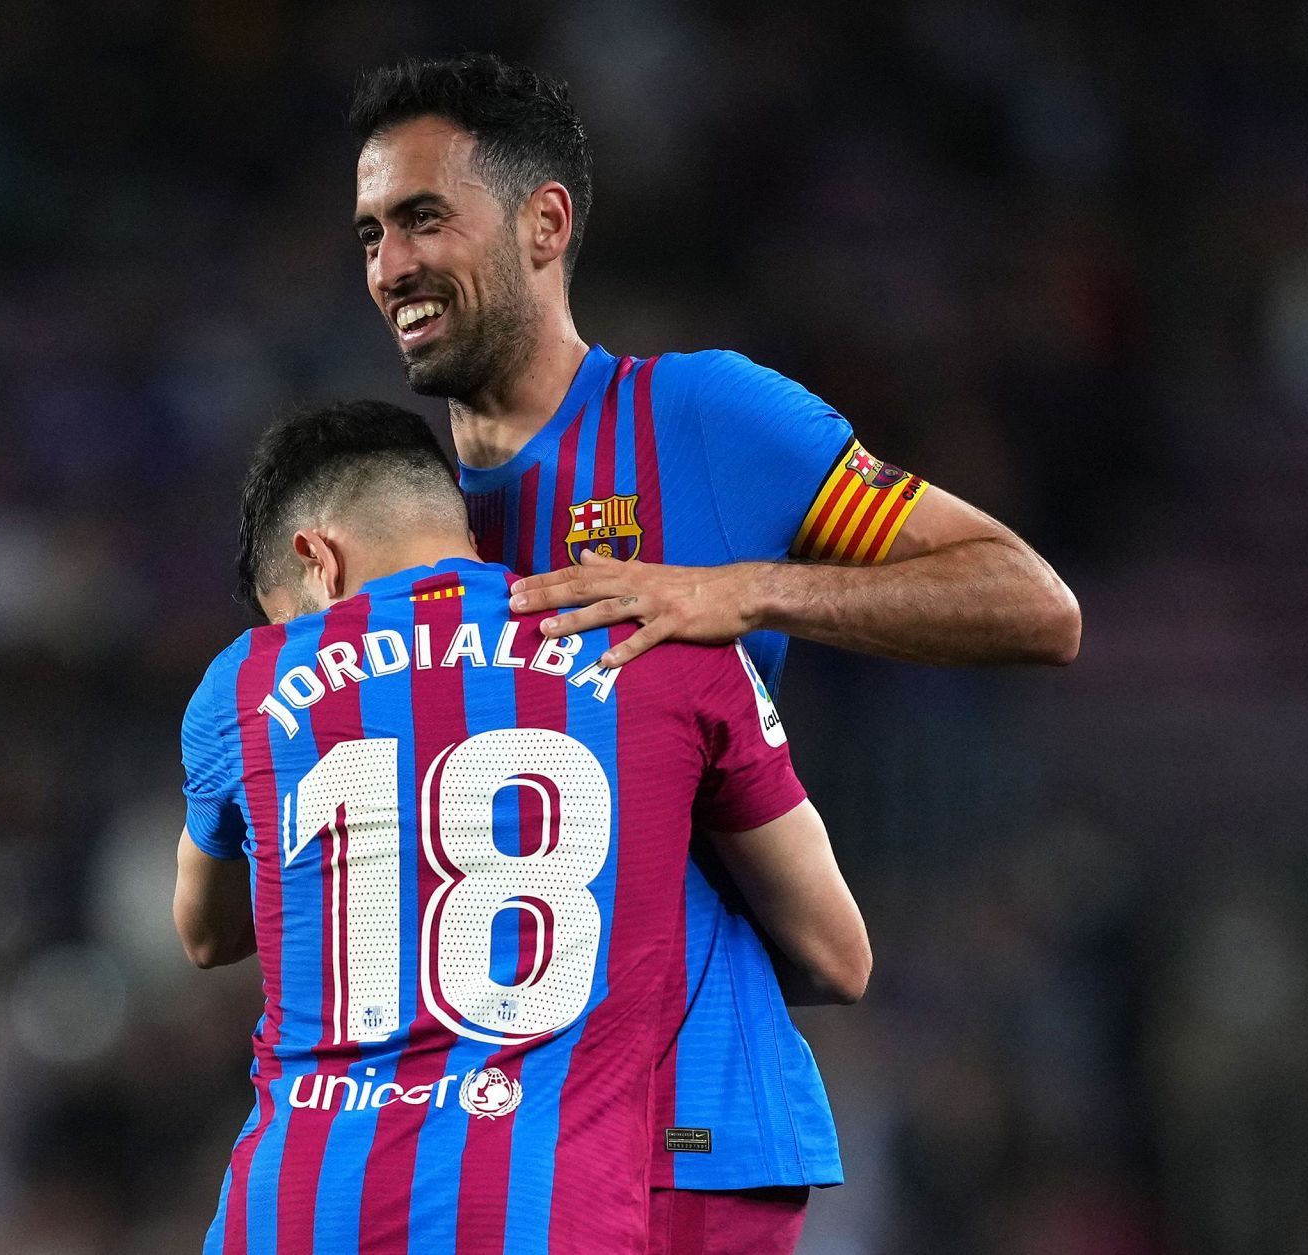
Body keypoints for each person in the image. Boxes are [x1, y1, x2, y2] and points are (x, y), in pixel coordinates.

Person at [344, 53, 1083, 1252]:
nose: (391, 265)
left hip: (675, 1125)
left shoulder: (702, 422)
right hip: (453, 1129)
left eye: (425, 218)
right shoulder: (381, 512)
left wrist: (737, 592)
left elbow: (1031, 600)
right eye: (373, 232)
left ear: (545, 222)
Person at [174, 401, 870, 1254]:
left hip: (295, 1208)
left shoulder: (241, 684)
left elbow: (204, 933)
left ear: (316, 561)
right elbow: (841, 957)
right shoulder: (661, 639)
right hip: (547, 1205)